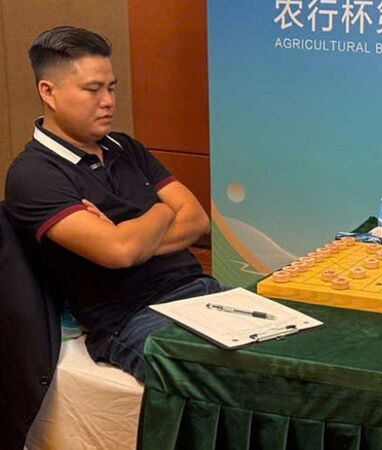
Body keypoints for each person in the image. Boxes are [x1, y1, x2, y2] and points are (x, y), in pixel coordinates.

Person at [4, 26, 221, 382]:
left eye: (112, 88)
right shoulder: (34, 174)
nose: (108, 101)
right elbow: (119, 252)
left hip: (200, 290)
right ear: (48, 92)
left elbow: (197, 221)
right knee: (238, 380)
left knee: (301, 354)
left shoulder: (125, 147)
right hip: (132, 317)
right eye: (93, 90)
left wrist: (134, 238)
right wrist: (163, 211)